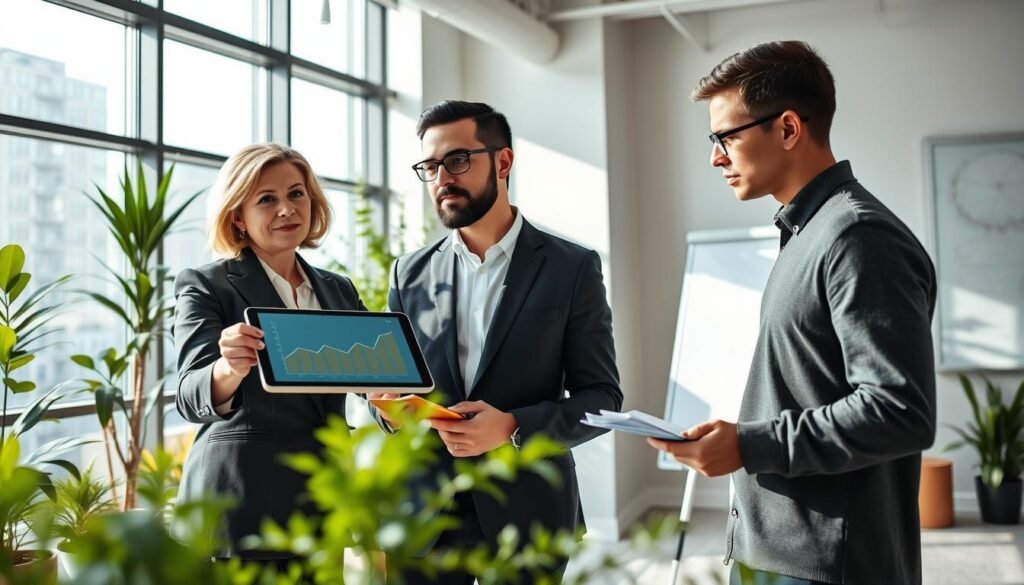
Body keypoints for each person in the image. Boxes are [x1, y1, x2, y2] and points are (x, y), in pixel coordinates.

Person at [646, 41, 937, 585]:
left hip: (824, 565)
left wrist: (747, 443)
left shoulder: (857, 237)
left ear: (786, 129)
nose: (715, 157)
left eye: (724, 137)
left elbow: (900, 412)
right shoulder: (807, 232)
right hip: (777, 550)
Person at [369, 100, 623, 584]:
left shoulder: (572, 268)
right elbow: (390, 392)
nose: (442, 177)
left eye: (458, 160)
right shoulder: (409, 273)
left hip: (528, 517)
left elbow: (603, 399)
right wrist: (386, 411)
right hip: (423, 517)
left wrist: (511, 426)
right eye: (430, 166)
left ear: (503, 162)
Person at [173, 143, 366, 563]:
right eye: (267, 199)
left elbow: (372, 379)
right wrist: (227, 368)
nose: (287, 209)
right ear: (237, 216)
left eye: (296, 194)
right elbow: (188, 395)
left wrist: (396, 402)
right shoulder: (207, 285)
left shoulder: (338, 290)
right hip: (240, 505)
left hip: (321, 503)